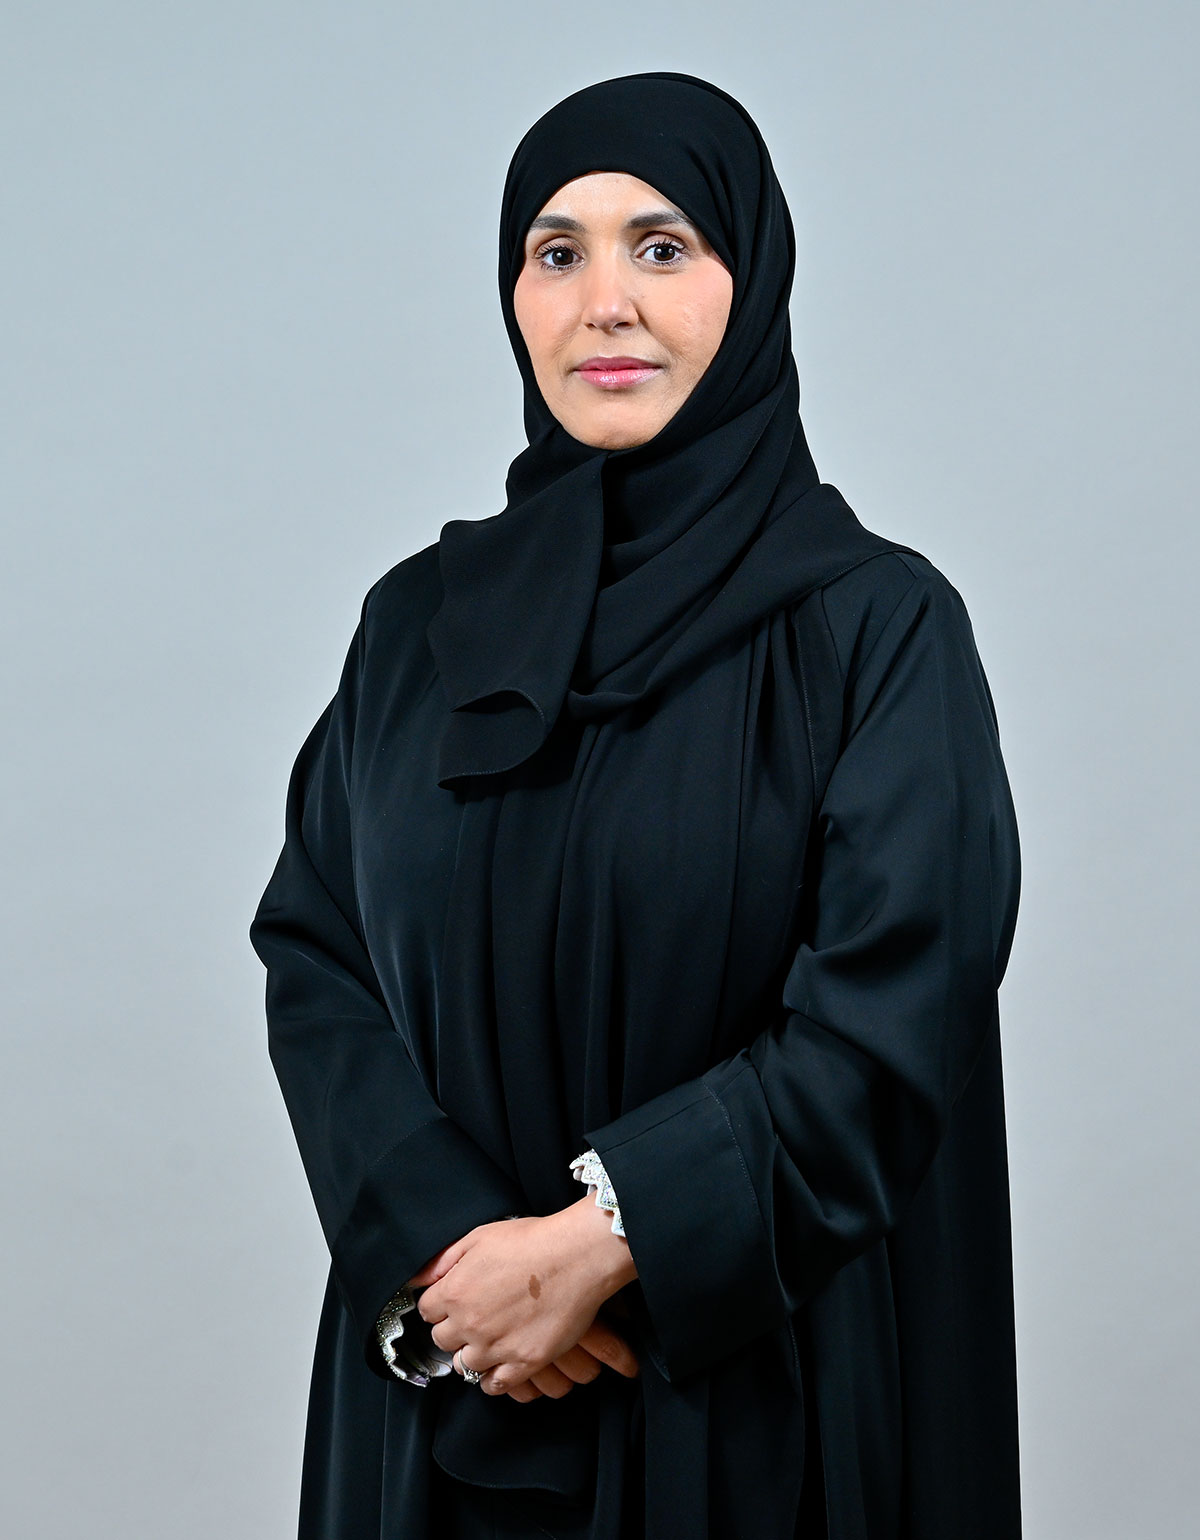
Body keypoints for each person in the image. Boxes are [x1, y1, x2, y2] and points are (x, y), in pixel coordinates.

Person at [249, 71, 1022, 1540]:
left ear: (752, 278)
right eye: (559, 253)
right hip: (459, 1372)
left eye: (662, 247)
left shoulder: (878, 631)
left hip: (756, 1397)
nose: (606, 303)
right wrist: (462, 1259)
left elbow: (893, 1014)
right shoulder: (414, 632)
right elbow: (316, 951)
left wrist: (604, 1243)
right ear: (513, 297)